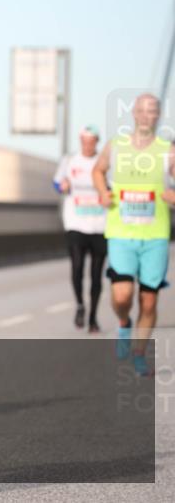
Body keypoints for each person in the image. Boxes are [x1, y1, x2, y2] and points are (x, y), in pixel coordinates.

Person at [92, 93, 175, 377]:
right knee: (123, 293)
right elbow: (98, 171)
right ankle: (124, 322)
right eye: (142, 109)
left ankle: (139, 355)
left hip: (155, 236)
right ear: (135, 114)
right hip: (121, 232)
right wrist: (103, 191)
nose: (147, 115)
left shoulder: (168, 150)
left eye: (153, 110)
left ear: (157, 115)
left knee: (149, 300)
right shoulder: (116, 147)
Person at [52, 125, 108, 332]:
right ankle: (80, 305)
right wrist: (62, 187)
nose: (87, 145)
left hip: (100, 224)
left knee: (96, 275)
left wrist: (107, 195)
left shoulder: (104, 163)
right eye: (84, 141)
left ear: (97, 142)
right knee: (76, 268)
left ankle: (93, 317)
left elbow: (112, 188)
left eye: (91, 141)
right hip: (75, 223)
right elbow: (56, 183)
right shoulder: (69, 161)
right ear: (80, 141)